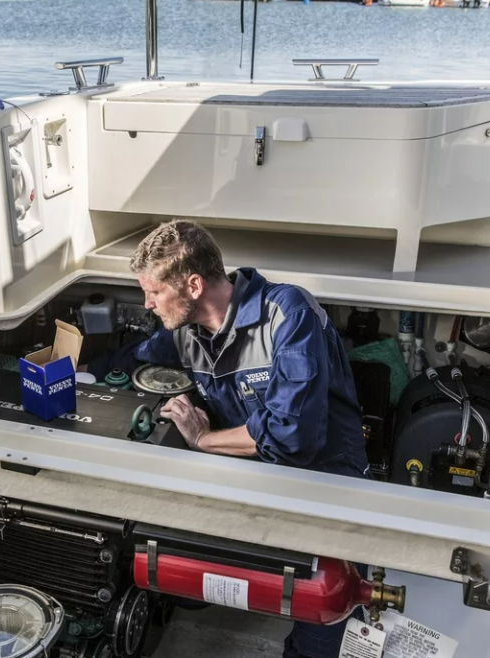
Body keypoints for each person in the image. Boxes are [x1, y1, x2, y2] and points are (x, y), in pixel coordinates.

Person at [86, 219, 370, 658]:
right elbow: (135, 357)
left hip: (326, 484)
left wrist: (203, 439)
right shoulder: (185, 333)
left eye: (154, 292)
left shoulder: (288, 314)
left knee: (323, 626)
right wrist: (72, 373)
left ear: (193, 285)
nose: (146, 304)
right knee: (183, 585)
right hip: (249, 474)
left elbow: (293, 438)